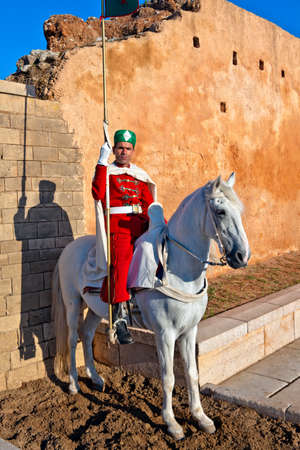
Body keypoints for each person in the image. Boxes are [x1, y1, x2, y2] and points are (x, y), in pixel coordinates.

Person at [92, 129, 156, 344]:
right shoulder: (108, 172)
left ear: (132, 151)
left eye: (128, 149)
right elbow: (97, 193)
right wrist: (101, 161)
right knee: (121, 265)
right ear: (114, 149)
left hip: (139, 225)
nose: (123, 152)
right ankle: (119, 318)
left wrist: (158, 223)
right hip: (118, 228)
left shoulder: (139, 175)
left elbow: (148, 203)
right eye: (120, 148)